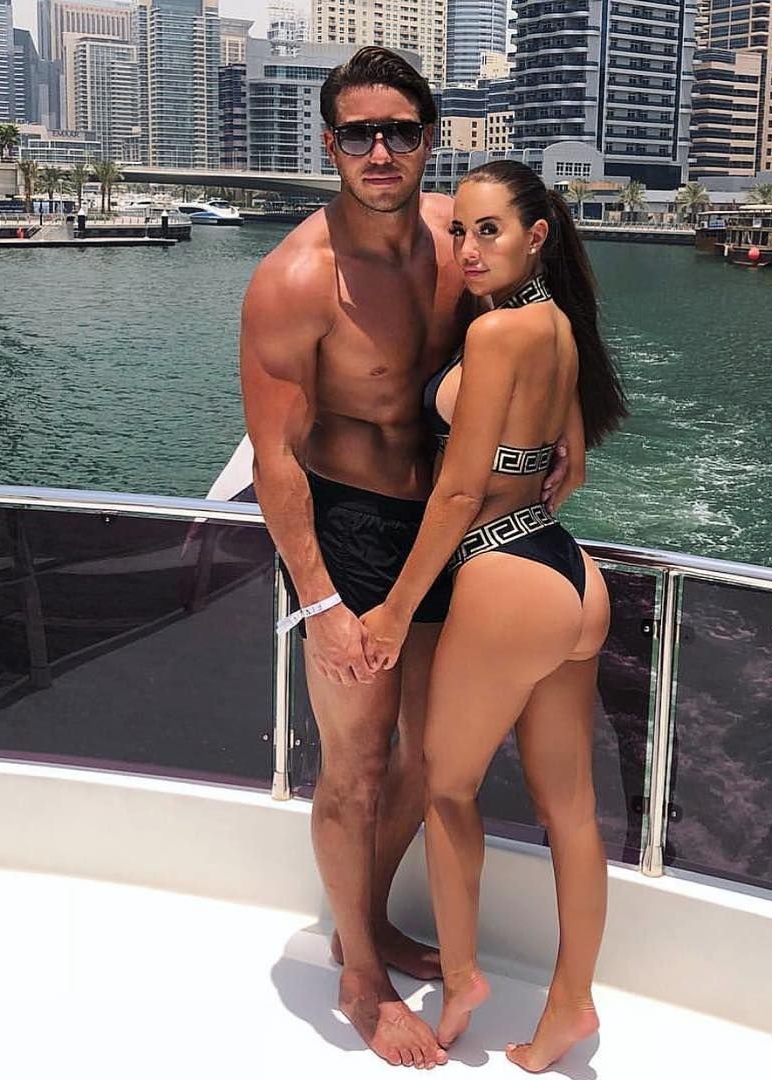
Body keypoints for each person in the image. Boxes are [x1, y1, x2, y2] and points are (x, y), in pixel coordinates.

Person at [239, 49, 566, 1069]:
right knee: (358, 764)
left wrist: (570, 430)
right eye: (357, 133)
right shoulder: (296, 279)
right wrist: (321, 602)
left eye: (400, 132)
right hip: (349, 532)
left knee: (429, 760)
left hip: (445, 531)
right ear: (328, 143)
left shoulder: (454, 240)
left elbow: (540, 319)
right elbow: (276, 462)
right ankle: (360, 979)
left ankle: (367, 923)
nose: (379, 151)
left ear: (431, 138)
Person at [361, 160, 628, 1072]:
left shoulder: (498, 333)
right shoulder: (558, 327)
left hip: (503, 570)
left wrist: (395, 610)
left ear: (535, 236)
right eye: (459, 232)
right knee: (574, 812)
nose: (469, 250)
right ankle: (571, 1004)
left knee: (446, 786)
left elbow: (458, 491)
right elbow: (570, 461)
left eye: (489, 231)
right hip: (568, 571)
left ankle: (463, 977)